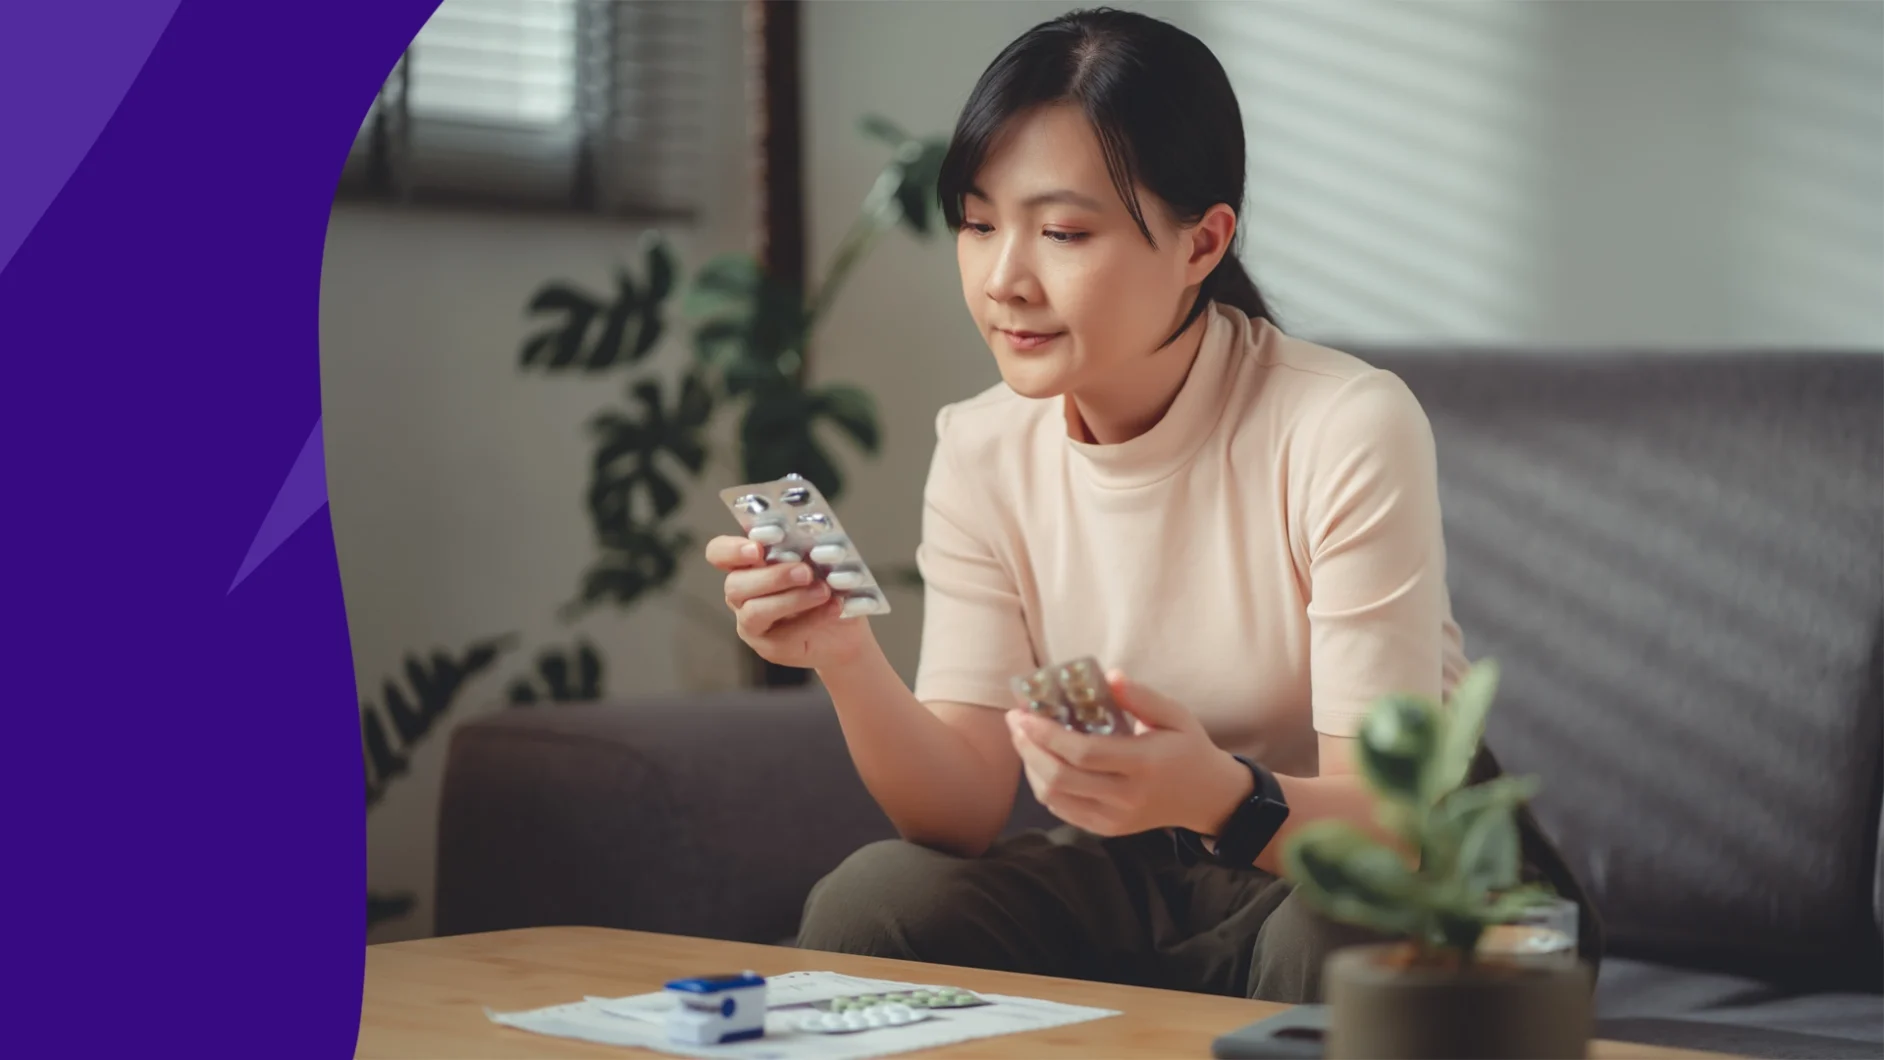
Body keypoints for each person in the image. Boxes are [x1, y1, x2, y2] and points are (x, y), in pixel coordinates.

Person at [703, 7, 1596, 1003]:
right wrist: (844, 656)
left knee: (1345, 936)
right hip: (1156, 870)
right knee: (875, 902)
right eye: (979, 222)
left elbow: (1390, 829)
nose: (1005, 278)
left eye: (1064, 231)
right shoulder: (983, 445)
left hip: (1409, 871)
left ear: (1202, 241)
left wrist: (1218, 790)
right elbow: (956, 814)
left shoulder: (1344, 422)